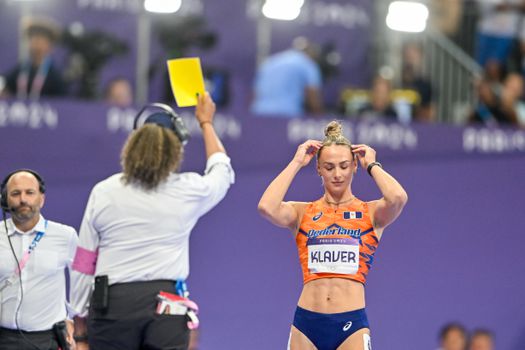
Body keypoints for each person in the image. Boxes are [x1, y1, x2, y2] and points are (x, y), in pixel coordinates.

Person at [71, 92, 234, 350]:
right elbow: (222, 170)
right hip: (167, 305)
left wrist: (78, 318)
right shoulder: (187, 189)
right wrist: (206, 122)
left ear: (132, 146)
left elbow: (84, 260)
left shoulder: (104, 191)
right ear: (175, 150)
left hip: (112, 303)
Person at [258, 121, 408, 349]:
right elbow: (266, 207)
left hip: (351, 323)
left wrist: (372, 165)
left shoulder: (371, 212)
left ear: (354, 165)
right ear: (318, 168)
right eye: (329, 167)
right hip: (306, 323)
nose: (337, 174)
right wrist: (297, 162)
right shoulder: (302, 212)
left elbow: (398, 197)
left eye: (344, 166)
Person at [0, 169, 77, 349]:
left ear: (42, 199)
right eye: (16, 193)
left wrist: (72, 318)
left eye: (30, 192)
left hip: (47, 339)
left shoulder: (66, 236)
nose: (23, 199)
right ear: (5, 200)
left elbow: (82, 279)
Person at [251, 37, 323, 117]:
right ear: (310, 52)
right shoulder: (307, 63)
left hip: (260, 112)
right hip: (287, 114)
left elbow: (256, 92)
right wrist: (318, 115)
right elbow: (312, 92)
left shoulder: (271, 61)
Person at [2, 17, 66, 99]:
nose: (35, 45)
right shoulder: (20, 70)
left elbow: (63, 103)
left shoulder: (55, 76)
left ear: (50, 46)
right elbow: (6, 87)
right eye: (32, 40)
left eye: (40, 40)